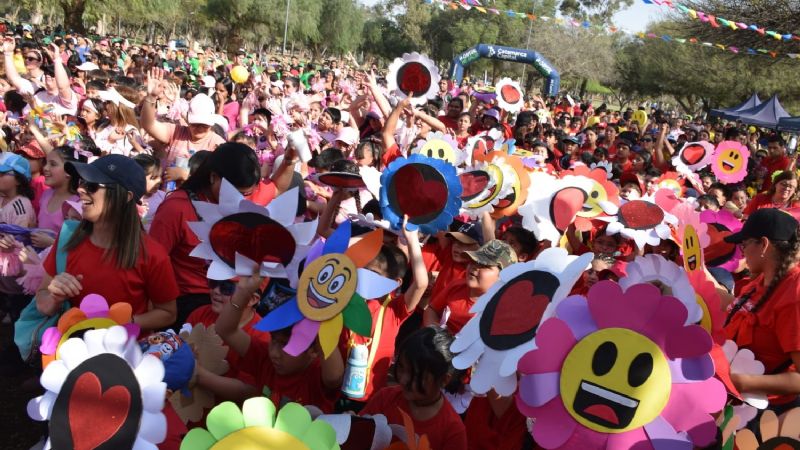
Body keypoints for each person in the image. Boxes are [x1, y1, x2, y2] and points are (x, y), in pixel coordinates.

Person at [149, 142, 295, 327]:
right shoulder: (176, 209)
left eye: (246, 194)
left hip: (239, 298)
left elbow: (277, 187)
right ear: (213, 177)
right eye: (236, 193)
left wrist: (289, 161)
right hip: (194, 301)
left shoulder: (245, 196)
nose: (240, 199)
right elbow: (152, 262)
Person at [35, 155, 179, 330]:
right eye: (81, 182)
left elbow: (167, 313)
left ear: (125, 197)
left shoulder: (153, 254)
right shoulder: (68, 236)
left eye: (92, 185)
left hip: (125, 346)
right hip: (71, 343)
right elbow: (43, 300)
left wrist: (121, 325)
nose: (80, 189)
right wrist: (55, 298)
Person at [213, 273, 344, 413]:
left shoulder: (315, 375)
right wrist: (242, 292)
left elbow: (334, 377)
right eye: (273, 340)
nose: (274, 353)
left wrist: (321, 320)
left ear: (314, 350)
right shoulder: (265, 359)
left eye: (285, 344)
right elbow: (225, 330)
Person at [724, 209, 800, 410]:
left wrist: (741, 382)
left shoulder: (794, 294)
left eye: (744, 245)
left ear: (764, 244)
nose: (741, 252)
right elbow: (737, 306)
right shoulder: (763, 279)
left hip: (766, 413)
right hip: (738, 400)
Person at [360, 326, 468, 450]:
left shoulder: (452, 430)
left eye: (416, 375)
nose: (403, 379)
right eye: (401, 367)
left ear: (444, 380)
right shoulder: (385, 399)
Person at [424, 239, 517, 334]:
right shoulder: (457, 286)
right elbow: (432, 310)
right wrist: (436, 335)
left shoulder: (501, 310)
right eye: (473, 261)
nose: (474, 267)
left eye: (484, 265)